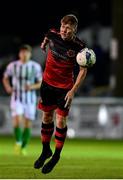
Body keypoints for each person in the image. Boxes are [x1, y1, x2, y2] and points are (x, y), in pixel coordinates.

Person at [34, 14, 87, 174]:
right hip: (47, 84)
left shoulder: (80, 48)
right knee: (46, 116)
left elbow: (83, 71)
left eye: (68, 28)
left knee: (61, 120)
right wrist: (43, 45)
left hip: (64, 88)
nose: (64, 30)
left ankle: (56, 155)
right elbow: (45, 40)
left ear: (74, 30)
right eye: (63, 26)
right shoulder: (52, 34)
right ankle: (45, 150)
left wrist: (72, 91)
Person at [3, 44, 42, 155]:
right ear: (19, 54)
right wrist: (8, 87)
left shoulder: (35, 66)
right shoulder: (13, 65)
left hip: (30, 99)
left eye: (27, 52)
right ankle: (18, 142)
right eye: (22, 52)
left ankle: (24, 147)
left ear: (30, 54)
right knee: (17, 121)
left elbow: (41, 82)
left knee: (27, 124)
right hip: (16, 98)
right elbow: (5, 77)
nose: (24, 54)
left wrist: (32, 86)